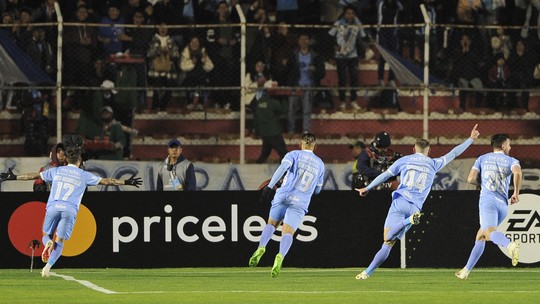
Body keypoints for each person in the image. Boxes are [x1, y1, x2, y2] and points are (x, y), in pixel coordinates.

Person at [355, 124, 480, 280]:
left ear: (414, 150)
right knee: (390, 240)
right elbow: (454, 153)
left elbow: (385, 175)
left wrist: (368, 187)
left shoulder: (405, 160)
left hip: (400, 201)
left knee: (387, 240)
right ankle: (367, 271)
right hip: (415, 208)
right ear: (429, 151)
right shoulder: (434, 163)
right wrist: (470, 139)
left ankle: (367, 272)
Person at [0, 141, 142, 277]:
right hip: (69, 210)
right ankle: (47, 268)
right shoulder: (84, 175)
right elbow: (107, 181)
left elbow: (33, 176)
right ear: (79, 161)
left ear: (66, 160)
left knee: (45, 235)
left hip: (53, 207)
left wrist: (14, 177)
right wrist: (127, 181)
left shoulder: (56, 171)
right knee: (60, 242)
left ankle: (48, 243)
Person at [248, 132, 325, 278]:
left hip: (283, 194)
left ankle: (261, 247)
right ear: (315, 146)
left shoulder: (293, 155)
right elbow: (318, 190)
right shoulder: (320, 164)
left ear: (300, 143)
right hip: (301, 200)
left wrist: (270, 186)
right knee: (288, 232)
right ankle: (280, 256)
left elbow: (282, 168)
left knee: (271, 224)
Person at [455, 134, 522, 280]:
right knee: (481, 236)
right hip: (503, 206)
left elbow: (470, 178)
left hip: (488, 202)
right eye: (509, 144)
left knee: (489, 232)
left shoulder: (482, 158)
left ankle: (509, 245)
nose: (510, 147)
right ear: (503, 146)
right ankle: (465, 271)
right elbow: (517, 172)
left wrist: (482, 185)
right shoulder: (512, 160)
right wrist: (516, 193)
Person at [328, 5, 367, 111]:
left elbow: (363, 37)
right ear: (344, 14)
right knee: (342, 79)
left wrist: (363, 53)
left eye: (352, 13)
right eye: (348, 13)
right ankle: (342, 102)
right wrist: (334, 48)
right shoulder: (338, 23)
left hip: (353, 55)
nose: (350, 16)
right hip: (340, 56)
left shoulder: (357, 23)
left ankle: (354, 101)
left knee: (354, 78)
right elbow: (330, 36)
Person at [286, 33, 325, 134]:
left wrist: (315, 70)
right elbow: (288, 71)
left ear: (309, 41)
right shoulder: (293, 54)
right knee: (291, 110)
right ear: (298, 41)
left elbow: (322, 72)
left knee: (307, 110)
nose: (303, 41)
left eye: (306, 39)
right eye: (301, 39)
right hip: (296, 85)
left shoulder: (315, 55)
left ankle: (306, 132)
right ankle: (291, 131)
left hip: (309, 85)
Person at [253, 94, 288, 164]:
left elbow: (256, 117)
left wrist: (256, 130)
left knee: (264, 154)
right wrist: (284, 100)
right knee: (284, 154)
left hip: (264, 132)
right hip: (274, 132)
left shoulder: (259, 102)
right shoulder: (272, 102)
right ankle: (283, 172)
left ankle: (254, 168)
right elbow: (284, 110)